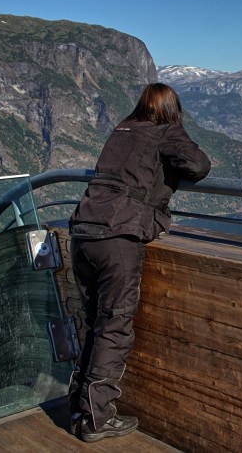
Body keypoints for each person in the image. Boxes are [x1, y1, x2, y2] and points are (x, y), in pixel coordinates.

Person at [66, 82, 211, 442]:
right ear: (171, 109)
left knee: (95, 323)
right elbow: (199, 165)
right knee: (114, 327)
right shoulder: (165, 130)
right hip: (118, 236)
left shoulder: (122, 129)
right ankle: (97, 419)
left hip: (83, 232)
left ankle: (79, 408)